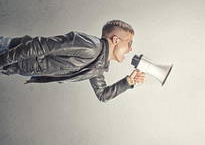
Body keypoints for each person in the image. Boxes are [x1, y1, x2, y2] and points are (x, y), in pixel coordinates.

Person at [0, 20, 145, 102]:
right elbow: (39, 45)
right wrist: (3, 60)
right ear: (116, 40)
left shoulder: (98, 66)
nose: (130, 49)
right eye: (129, 43)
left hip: (14, 64)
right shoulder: (90, 46)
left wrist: (128, 82)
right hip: (8, 50)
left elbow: (102, 94)